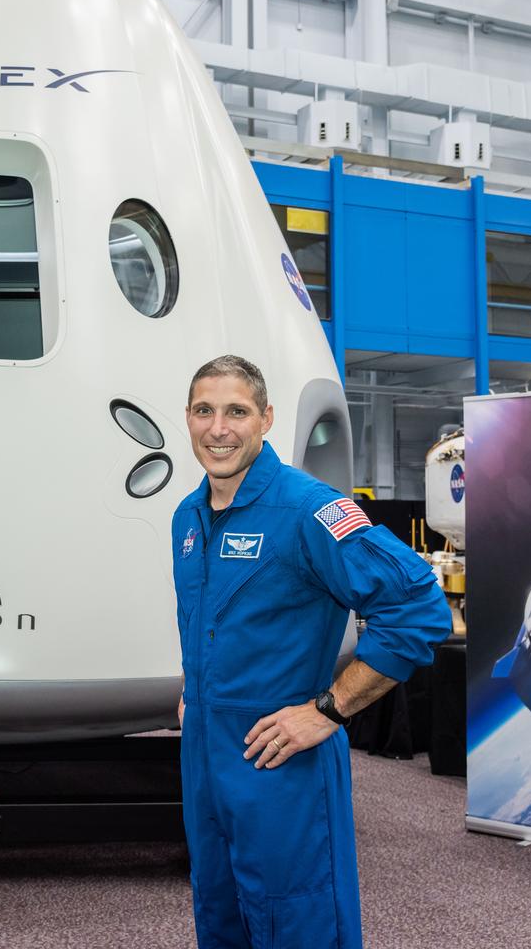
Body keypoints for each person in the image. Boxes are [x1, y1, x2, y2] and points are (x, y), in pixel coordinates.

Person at [173, 355, 451, 949]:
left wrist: (327, 710)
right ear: (188, 419)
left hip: (280, 758)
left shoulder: (307, 510)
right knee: (219, 912)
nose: (218, 428)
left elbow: (418, 608)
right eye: (204, 410)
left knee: (296, 922)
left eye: (237, 412)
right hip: (204, 755)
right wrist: (194, 688)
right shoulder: (187, 518)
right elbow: (213, 619)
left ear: (266, 419)